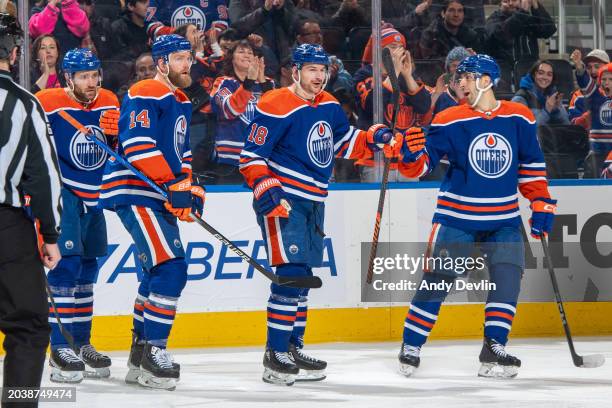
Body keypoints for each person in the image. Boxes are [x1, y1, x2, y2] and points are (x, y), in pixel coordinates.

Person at [239, 43, 395, 385]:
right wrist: (266, 186)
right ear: (295, 71)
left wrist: (374, 138)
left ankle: (292, 347)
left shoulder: (329, 105)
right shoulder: (274, 103)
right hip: (284, 200)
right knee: (292, 274)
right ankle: (274, 353)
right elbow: (250, 155)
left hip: (315, 200)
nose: (319, 76)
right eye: (311, 69)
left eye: (322, 69)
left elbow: (341, 142)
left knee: (304, 278)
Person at [393, 54, 556, 378]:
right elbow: (420, 167)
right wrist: (408, 155)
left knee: (508, 281)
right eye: (459, 78)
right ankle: (411, 344)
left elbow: (532, 168)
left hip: (504, 219)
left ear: (487, 80)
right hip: (457, 217)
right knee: (438, 281)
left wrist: (541, 203)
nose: (461, 83)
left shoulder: (519, 117)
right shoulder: (448, 119)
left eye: (467, 77)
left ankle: (493, 348)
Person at [99, 34, 205, 390]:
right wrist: (173, 183)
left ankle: (140, 353)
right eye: (178, 58)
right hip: (136, 191)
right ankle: (154, 351)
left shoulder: (180, 99)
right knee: (172, 268)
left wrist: (189, 187)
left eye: (188, 57)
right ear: (162, 63)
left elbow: (182, 153)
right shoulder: (147, 90)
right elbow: (137, 144)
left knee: (156, 271)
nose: (186, 64)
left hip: (156, 193)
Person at [35, 48, 119, 384]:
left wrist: (117, 136)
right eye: (83, 76)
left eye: (94, 75)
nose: (91, 82)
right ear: (68, 78)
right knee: (65, 266)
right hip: (63, 192)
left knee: (87, 268)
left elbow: (117, 150)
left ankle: (81, 343)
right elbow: (37, 146)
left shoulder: (110, 100)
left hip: (95, 194)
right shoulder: (48, 100)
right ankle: (60, 346)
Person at [0, 12, 62, 405]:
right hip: (7, 228)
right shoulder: (25, 103)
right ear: (16, 52)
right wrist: (51, 234)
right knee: (27, 326)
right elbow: (43, 176)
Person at [354, 27, 432, 181]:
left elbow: (423, 106)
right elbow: (372, 105)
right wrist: (393, 72)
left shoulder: (409, 76)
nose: (397, 52)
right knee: (376, 205)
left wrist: (408, 75)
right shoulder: (365, 74)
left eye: (400, 48)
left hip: (407, 159)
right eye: (392, 48)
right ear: (379, 51)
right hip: (375, 160)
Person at [210, 40, 274, 183]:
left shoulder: (268, 84)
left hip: (262, 159)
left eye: (250, 53)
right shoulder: (223, 83)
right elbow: (231, 110)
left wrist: (262, 79)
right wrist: (249, 81)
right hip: (231, 161)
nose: (246, 55)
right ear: (231, 59)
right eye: (241, 51)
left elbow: (276, 116)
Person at [484, 0, 556, 90]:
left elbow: (549, 30)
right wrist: (522, 12)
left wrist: (535, 6)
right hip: (504, 75)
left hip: (529, 72)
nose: (510, 4)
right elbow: (501, 33)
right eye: (506, 1)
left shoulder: (527, 19)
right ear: (500, 3)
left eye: (514, 0)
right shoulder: (493, 20)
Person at [570, 49, 612, 178]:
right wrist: (579, 67)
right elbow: (585, 83)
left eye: (610, 79)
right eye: (603, 79)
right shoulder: (596, 97)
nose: (606, 82)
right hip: (597, 152)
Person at [512, 60, 569, 126]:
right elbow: (524, 127)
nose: (545, 77)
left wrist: (556, 110)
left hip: (551, 135)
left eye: (549, 74)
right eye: (541, 73)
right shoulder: (520, 98)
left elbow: (566, 124)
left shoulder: (552, 95)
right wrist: (546, 110)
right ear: (533, 75)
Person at [568, 49, 609, 129]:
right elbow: (572, 124)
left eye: (597, 66)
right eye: (589, 67)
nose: (593, 71)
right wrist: (584, 120)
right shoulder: (577, 96)